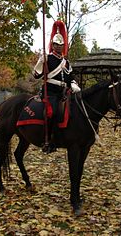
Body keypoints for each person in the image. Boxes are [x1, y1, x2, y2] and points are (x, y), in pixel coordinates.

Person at [33, 20, 81, 153]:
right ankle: (48, 140)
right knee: (52, 112)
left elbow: (70, 76)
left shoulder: (66, 62)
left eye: (61, 45)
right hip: (51, 93)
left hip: (64, 92)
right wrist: (41, 63)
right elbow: (36, 75)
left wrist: (73, 84)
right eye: (56, 44)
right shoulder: (47, 58)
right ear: (52, 45)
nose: (59, 47)